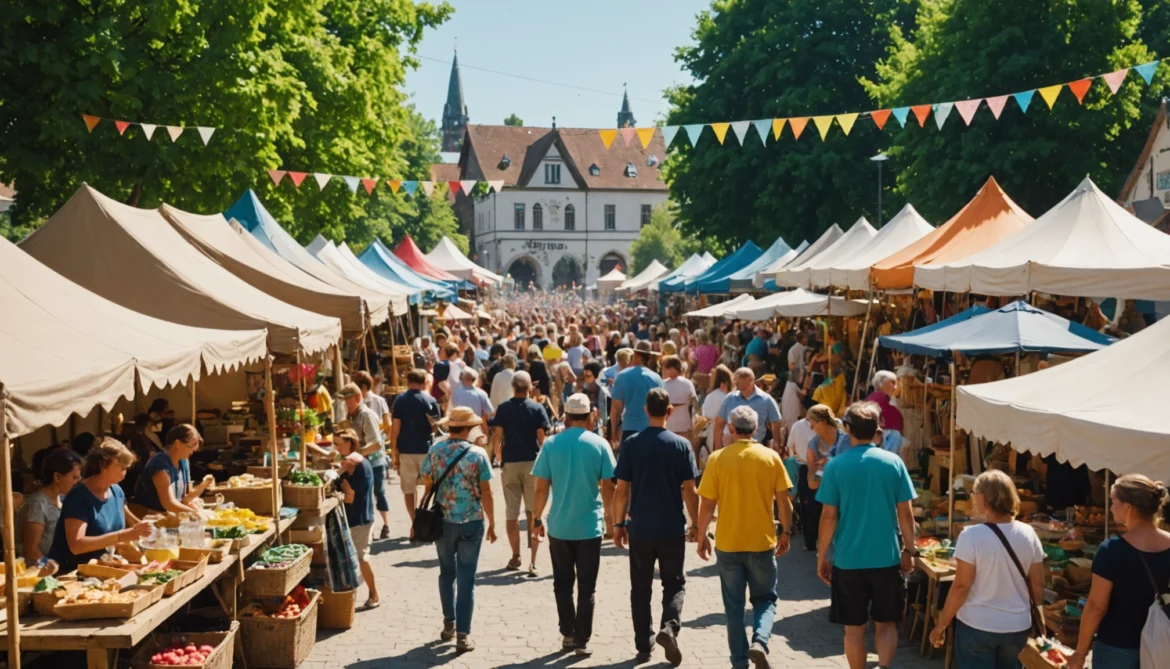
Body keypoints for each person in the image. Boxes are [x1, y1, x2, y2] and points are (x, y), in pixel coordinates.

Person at [816, 401, 917, 669]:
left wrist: (822, 554)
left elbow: (828, 516)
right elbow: (906, 514)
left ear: (847, 429)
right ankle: (884, 667)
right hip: (886, 557)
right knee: (886, 623)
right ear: (876, 430)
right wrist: (910, 550)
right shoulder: (893, 462)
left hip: (848, 560)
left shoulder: (836, 466)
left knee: (854, 629)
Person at [696, 406, 793, 669]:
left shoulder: (717, 458)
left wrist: (702, 534)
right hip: (762, 542)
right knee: (766, 599)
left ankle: (739, 662)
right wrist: (786, 531)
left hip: (728, 544)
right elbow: (784, 503)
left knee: (734, 606)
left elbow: (706, 503)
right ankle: (760, 641)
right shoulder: (771, 457)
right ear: (757, 429)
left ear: (730, 428)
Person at [613, 388, 700, 665]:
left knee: (640, 587)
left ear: (646, 410)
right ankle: (669, 627)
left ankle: (643, 644)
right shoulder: (681, 445)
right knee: (674, 583)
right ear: (670, 411)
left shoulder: (631, 444)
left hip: (640, 526)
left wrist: (617, 523)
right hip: (671, 526)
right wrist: (696, 523)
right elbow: (690, 489)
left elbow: (622, 489)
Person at [929, 470, 1045, 667]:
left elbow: (961, 587)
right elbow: (1038, 585)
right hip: (1016, 627)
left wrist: (941, 626)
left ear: (982, 498)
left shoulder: (971, 536)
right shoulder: (1029, 533)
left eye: (975, 494)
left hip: (978, 626)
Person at [531, 394, 616, 657]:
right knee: (587, 587)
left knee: (562, 582)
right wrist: (613, 520)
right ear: (591, 416)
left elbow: (541, 487)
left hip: (559, 525)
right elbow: (610, 486)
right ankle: (582, 640)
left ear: (566, 416)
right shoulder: (600, 444)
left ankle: (567, 632)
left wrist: (536, 519)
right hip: (590, 526)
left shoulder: (551, 444)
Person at [1069, 474, 1170, 669]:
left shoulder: (1111, 550)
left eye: (1114, 502)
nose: (1110, 508)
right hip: (1163, 644)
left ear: (1128, 507)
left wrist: (1080, 653)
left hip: (1117, 648)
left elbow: (1096, 607)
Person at [421, 407, 498, 654]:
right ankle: (463, 635)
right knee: (467, 577)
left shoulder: (436, 450)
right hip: (471, 522)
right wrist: (493, 522)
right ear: (469, 428)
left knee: (446, 573)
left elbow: (428, 481)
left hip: (442, 521)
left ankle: (448, 623)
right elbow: (487, 491)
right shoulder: (477, 454)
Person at [47, 438, 152, 574]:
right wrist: (122, 536)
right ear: (103, 464)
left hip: (102, 569)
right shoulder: (79, 496)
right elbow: (76, 545)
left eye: (126, 468)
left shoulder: (117, 492)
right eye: (121, 467)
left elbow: (112, 538)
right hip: (70, 573)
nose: (124, 472)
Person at [489, 371, 550, 574]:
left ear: (513, 387)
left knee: (511, 514)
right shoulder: (537, 407)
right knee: (534, 512)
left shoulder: (504, 408)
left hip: (511, 463)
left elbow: (498, 435)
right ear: (529, 387)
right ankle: (533, 560)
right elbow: (542, 438)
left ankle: (515, 556)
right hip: (533, 463)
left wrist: (493, 456)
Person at [390, 369, 441, 536]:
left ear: (408, 381)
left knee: (409, 489)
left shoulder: (400, 400)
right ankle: (427, 520)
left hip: (405, 450)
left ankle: (414, 523)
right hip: (426, 449)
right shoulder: (430, 400)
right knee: (430, 487)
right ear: (424, 381)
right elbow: (436, 426)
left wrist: (393, 452)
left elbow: (395, 428)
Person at [334, 429, 380, 610]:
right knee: (357, 558)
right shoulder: (361, 460)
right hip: (363, 516)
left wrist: (340, 491)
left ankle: (374, 594)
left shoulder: (351, 461)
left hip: (358, 518)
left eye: (339, 443)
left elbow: (350, 497)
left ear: (349, 443)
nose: (336, 448)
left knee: (361, 558)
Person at [341, 383, 393, 540]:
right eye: (345, 400)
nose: (346, 403)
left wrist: (357, 454)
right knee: (365, 496)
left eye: (348, 400)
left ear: (357, 398)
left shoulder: (366, 415)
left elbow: (376, 442)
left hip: (374, 461)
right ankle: (370, 530)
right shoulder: (352, 416)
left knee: (379, 492)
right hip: (361, 462)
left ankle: (386, 525)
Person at [17, 448, 83, 563]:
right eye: (74, 477)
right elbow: (32, 550)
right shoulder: (37, 505)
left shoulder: (63, 500)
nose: (78, 481)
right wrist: (51, 570)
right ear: (57, 477)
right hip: (42, 575)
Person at [133, 424, 215, 514]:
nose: (194, 450)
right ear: (178, 444)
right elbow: (169, 504)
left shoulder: (184, 462)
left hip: (170, 516)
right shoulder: (160, 464)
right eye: (192, 446)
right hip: (151, 517)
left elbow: (185, 499)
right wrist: (197, 513)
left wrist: (203, 484)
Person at [714, 368, 782, 451]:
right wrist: (718, 447)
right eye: (736, 384)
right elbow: (719, 424)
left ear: (751, 380)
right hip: (732, 449)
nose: (737, 387)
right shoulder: (730, 399)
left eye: (740, 384)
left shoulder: (766, 400)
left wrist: (776, 445)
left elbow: (776, 423)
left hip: (757, 449)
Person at [610, 341, 664, 446]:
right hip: (652, 429)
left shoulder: (622, 376)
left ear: (636, 355)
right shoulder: (656, 378)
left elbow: (615, 408)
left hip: (630, 429)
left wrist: (613, 430)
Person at [661, 355, 697, 456]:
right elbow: (694, 403)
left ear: (672, 369)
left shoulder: (663, 384)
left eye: (665, 369)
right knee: (683, 451)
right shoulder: (688, 383)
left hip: (668, 423)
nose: (663, 372)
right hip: (684, 422)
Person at [700, 365, 734, 469]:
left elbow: (707, 418)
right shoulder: (733, 397)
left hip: (715, 437)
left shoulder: (711, 397)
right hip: (732, 436)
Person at [449, 368, 494, 436]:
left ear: (462, 378)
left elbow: (450, 412)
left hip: (459, 429)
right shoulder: (482, 394)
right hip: (476, 429)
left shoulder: (455, 393)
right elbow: (490, 413)